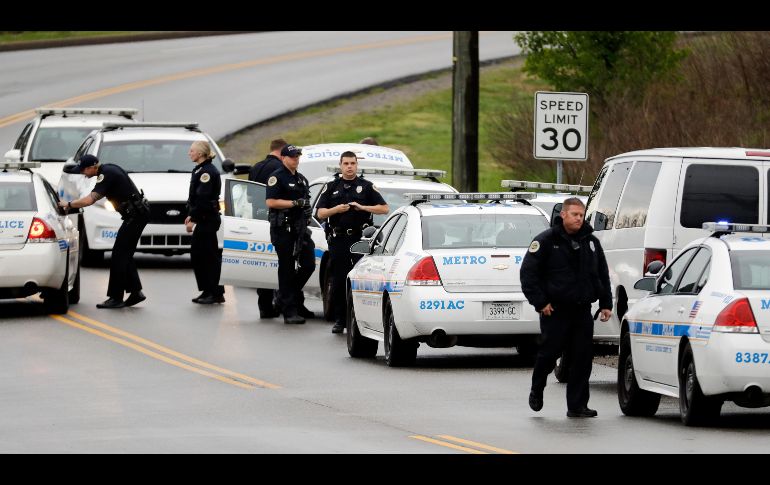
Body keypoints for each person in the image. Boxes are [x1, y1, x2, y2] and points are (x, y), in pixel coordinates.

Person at [519, 197, 612, 418]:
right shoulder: (546, 241)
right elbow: (528, 274)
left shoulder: (591, 242)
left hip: (581, 311)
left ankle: (577, 405)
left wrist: (606, 303)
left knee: (582, 358)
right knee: (549, 355)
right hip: (555, 311)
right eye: (575, 214)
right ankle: (537, 388)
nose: (579, 218)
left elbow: (602, 274)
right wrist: (540, 302)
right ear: (563, 215)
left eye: (582, 215)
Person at [60, 154, 150, 309]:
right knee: (124, 253)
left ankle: (116, 297)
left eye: (83, 170)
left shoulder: (105, 174)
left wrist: (69, 204)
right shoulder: (108, 169)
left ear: (91, 167)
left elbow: (89, 200)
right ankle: (135, 292)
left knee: (119, 254)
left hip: (135, 216)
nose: (82, 173)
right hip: (136, 215)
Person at [316, 151, 388, 333]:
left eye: (352, 163)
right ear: (340, 165)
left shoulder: (366, 187)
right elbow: (320, 213)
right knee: (339, 280)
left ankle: (359, 319)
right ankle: (341, 320)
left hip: (360, 239)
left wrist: (364, 207)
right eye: (346, 163)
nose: (349, 166)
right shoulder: (331, 186)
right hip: (338, 239)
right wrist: (336, 209)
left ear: (357, 165)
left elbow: (384, 209)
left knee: (360, 280)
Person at [265, 144, 316, 324]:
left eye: (298, 156)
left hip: (300, 228)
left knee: (309, 264)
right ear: (284, 158)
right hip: (283, 228)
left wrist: (306, 212)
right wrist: (294, 203)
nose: (296, 159)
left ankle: (285, 297)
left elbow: (306, 202)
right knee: (286, 268)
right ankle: (289, 310)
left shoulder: (301, 179)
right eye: (293, 156)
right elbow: (271, 201)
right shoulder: (277, 177)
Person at [248, 138, 287, 318]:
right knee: (277, 263)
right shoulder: (279, 170)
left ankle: (264, 305)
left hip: (256, 219)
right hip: (274, 220)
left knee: (262, 262)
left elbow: (249, 196)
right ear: (282, 151)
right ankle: (278, 301)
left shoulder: (256, 167)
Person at [185, 140, 225, 305]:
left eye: (192, 150)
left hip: (206, 219)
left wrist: (193, 219)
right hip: (204, 218)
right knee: (202, 256)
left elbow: (203, 199)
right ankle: (211, 291)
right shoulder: (201, 170)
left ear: (200, 153)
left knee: (206, 257)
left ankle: (213, 292)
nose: (190, 153)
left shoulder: (206, 172)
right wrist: (191, 214)